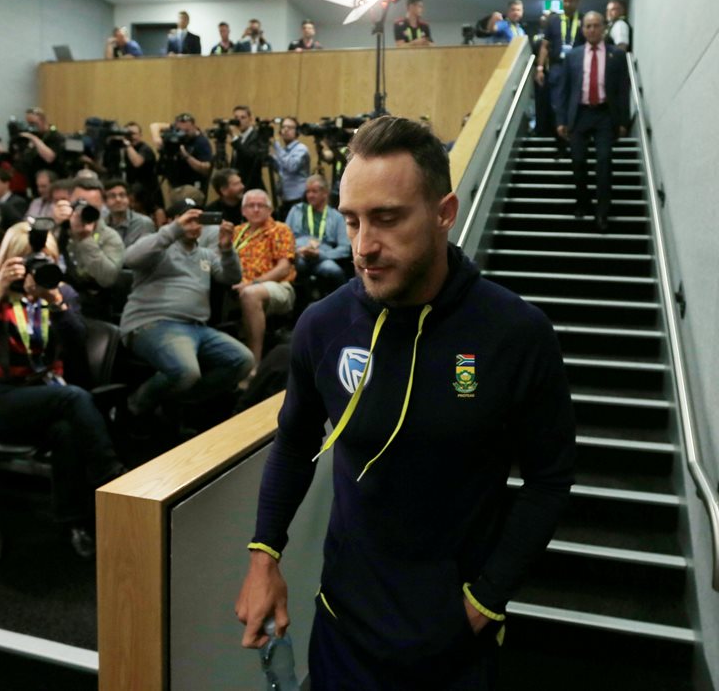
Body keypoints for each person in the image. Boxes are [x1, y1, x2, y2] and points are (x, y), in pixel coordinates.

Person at [235, 116, 576, 689]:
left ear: (445, 212)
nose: (364, 246)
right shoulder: (323, 326)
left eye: (387, 219)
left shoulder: (515, 332)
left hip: (454, 640)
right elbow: (295, 441)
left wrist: (486, 600)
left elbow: (550, 477)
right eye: (352, 221)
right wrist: (264, 555)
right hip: (343, 627)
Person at [0, 221, 126, 559]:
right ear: (10, 259)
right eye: (29, 259)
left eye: (46, 258)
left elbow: (78, 342)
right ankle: (115, 479)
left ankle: (73, 522)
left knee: (65, 431)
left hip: (44, 398)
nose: (39, 265)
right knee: (74, 397)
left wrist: (56, 302)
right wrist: (0, 286)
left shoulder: (63, 293)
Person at [120, 204, 252, 419]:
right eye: (188, 220)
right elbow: (130, 258)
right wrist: (173, 230)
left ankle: (182, 401)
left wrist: (227, 249)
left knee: (243, 360)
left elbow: (231, 278)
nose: (194, 225)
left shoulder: (206, 254)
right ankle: (134, 407)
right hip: (153, 323)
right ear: (174, 220)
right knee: (186, 371)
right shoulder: (160, 247)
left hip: (196, 327)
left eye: (198, 221)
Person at [556, 11, 630, 232]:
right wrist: (561, 120)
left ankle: (603, 212)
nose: (591, 30)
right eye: (587, 26)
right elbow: (564, 90)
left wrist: (623, 121)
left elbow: (622, 91)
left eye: (596, 26)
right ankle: (583, 202)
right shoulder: (573, 56)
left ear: (603, 28)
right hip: (579, 114)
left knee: (604, 162)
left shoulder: (616, 55)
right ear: (583, 29)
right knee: (578, 162)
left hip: (605, 115)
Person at [231, 189, 296, 367]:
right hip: (238, 286)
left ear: (270, 210)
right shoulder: (236, 232)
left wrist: (254, 283)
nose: (256, 209)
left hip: (278, 287)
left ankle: (253, 365)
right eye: (251, 206)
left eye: (261, 205)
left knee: (250, 294)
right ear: (243, 211)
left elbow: (283, 268)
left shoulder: (280, 230)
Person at [58, 178, 125, 319]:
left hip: (94, 308)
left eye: (91, 207)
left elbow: (107, 279)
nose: (83, 211)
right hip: (58, 300)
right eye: (79, 204)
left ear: (102, 206)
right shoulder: (59, 229)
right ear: (69, 201)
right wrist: (55, 226)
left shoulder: (110, 237)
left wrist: (85, 239)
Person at [285, 175, 350, 296]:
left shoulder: (336, 217)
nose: (310, 195)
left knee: (334, 271)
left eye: (314, 191)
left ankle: (344, 304)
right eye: (308, 191)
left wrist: (320, 254)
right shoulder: (296, 210)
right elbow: (284, 239)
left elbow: (345, 248)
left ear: (325, 193)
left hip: (322, 256)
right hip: (299, 254)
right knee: (298, 265)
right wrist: (297, 251)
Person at [536, 0, 585, 124]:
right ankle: (559, 130)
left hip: (578, 67)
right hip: (557, 66)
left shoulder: (584, 20)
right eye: (565, 1)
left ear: (577, 2)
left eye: (571, 1)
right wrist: (540, 68)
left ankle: (574, 130)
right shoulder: (553, 21)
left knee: (577, 98)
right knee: (557, 99)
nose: (568, 4)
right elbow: (544, 46)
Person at [151, 113, 212, 192]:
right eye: (179, 130)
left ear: (194, 127)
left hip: (193, 185)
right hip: (176, 183)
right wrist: (157, 138)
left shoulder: (202, 142)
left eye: (187, 130)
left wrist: (187, 157)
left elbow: (206, 169)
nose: (183, 133)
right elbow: (154, 126)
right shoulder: (177, 131)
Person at [272, 117, 310, 220]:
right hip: (285, 199)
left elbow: (291, 166)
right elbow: (281, 169)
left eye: (290, 127)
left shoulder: (301, 149)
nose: (285, 130)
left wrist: (276, 144)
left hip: (298, 199)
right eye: (283, 127)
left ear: (297, 131)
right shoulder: (284, 151)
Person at [104, 179, 154, 247]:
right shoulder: (101, 225)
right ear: (105, 202)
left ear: (128, 199)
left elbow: (145, 253)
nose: (118, 200)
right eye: (112, 196)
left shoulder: (143, 223)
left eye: (122, 195)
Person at [230, 106, 268, 192]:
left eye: (243, 117)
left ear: (250, 119)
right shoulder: (239, 138)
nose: (239, 121)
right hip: (239, 187)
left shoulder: (257, 135)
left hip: (252, 186)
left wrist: (235, 140)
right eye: (236, 118)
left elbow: (250, 157)